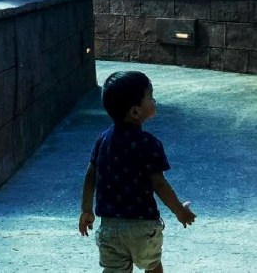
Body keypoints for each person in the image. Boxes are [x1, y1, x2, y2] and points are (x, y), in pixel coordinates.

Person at [78, 71, 196, 272]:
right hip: (143, 226)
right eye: (150, 95)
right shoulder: (148, 143)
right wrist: (180, 211)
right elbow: (159, 184)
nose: (154, 99)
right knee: (152, 266)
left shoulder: (103, 140)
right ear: (135, 112)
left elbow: (90, 176)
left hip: (110, 227)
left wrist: (86, 209)